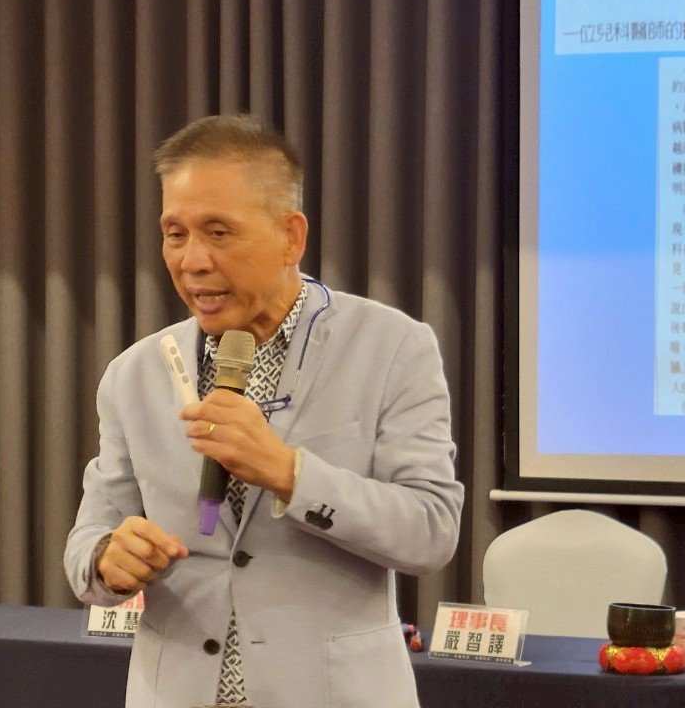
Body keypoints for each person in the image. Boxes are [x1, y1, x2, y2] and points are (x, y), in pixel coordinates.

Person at [64, 114, 464, 708]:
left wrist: (289, 473)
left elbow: (430, 531)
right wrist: (107, 560)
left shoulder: (391, 347)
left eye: (218, 232)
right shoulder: (135, 373)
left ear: (290, 237)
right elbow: (88, 542)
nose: (192, 261)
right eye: (175, 234)